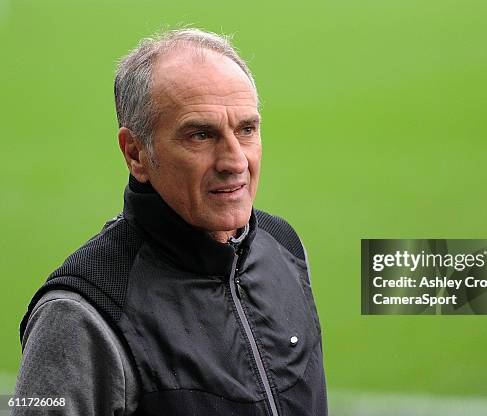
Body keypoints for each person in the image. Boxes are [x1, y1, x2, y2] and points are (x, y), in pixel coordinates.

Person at [14, 28, 327, 416]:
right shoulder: (81, 314)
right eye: (200, 135)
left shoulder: (282, 247)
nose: (235, 161)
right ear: (136, 154)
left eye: (246, 129)